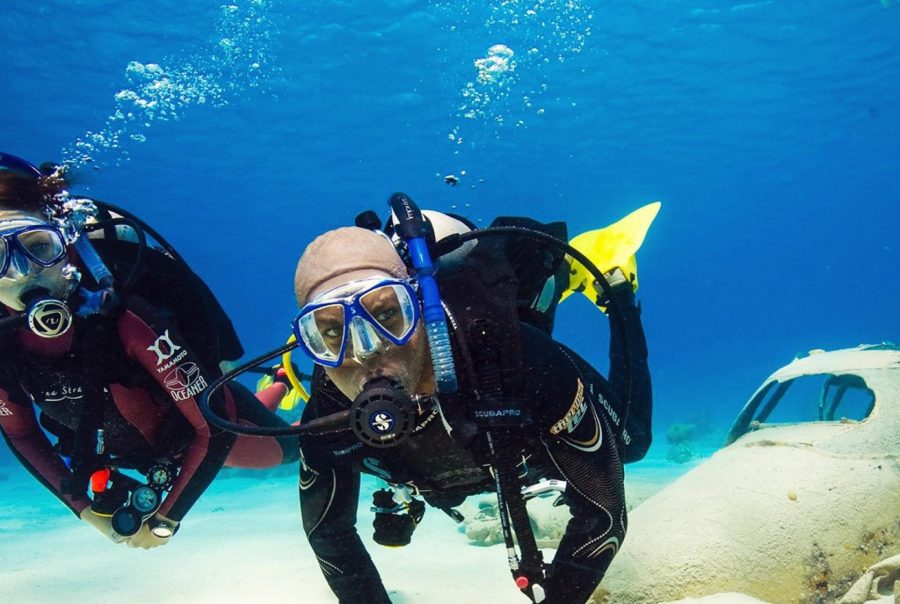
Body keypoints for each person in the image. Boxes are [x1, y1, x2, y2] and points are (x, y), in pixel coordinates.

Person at [289, 194, 653, 603]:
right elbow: (328, 533)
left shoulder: (519, 359)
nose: (367, 350)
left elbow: (604, 512)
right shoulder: (326, 418)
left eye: (388, 314)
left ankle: (618, 289)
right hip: (449, 475)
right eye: (332, 332)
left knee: (634, 442)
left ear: (419, 304)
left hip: (515, 422)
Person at [0, 153, 297, 549]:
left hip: (193, 432)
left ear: (68, 249)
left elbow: (215, 425)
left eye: (39, 246)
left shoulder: (127, 320)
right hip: (124, 450)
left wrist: (165, 521)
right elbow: (20, 433)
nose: (22, 273)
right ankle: (276, 380)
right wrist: (84, 510)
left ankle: (280, 380)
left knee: (291, 451)